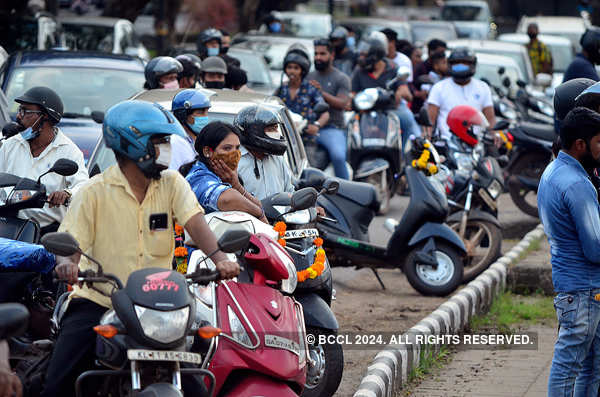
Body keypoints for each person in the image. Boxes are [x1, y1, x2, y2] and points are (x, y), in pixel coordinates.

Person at [41, 100, 239, 397]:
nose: (166, 148)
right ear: (131, 144)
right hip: (101, 301)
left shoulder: (172, 183)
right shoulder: (93, 192)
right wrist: (67, 263)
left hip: (159, 307)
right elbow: (70, 240)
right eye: (159, 141)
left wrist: (220, 258)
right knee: (58, 383)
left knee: (198, 385)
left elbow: (196, 223)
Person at [538, 106, 600, 396]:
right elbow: (596, 249)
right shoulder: (577, 184)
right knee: (571, 367)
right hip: (586, 290)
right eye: (599, 142)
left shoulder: (552, 172)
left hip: (572, 287)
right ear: (580, 145)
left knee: (588, 366)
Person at [0, 86, 88, 235]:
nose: (19, 117)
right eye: (19, 110)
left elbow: (84, 186)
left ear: (45, 117)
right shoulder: (9, 145)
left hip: (46, 234)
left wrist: (67, 193)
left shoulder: (69, 151)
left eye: (25, 111)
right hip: (7, 228)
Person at [185, 121, 267, 222]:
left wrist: (236, 185)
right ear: (207, 151)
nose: (234, 154)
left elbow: (257, 205)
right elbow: (228, 200)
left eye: (237, 148)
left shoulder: (224, 175)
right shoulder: (198, 176)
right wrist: (259, 214)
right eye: (227, 148)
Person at [351, 33, 419, 146]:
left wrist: (400, 92)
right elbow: (353, 94)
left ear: (376, 54)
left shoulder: (393, 68)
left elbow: (406, 92)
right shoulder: (359, 71)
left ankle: (403, 158)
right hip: (366, 109)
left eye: (365, 52)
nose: (361, 56)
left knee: (408, 121)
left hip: (391, 108)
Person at [426, 47, 496, 141]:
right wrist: (426, 136)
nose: (460, 65)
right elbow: (430, 120)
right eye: (456, 63)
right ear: (450, 64)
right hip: (447, 143)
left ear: (473, 64)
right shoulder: (439, 88)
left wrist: (495, 134)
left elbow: (490, 119)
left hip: (477, 143)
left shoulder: (483, 87)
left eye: (464, 62)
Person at [307, 38, 351, 179]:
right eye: (316, 54)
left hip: (332, 128)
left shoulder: (341, 78)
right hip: (307, 128)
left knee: (338, 156)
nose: (318, 57)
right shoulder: (308, 76)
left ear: (332, 55)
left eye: (322, 54)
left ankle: (346, 192)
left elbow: (342, 103)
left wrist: (321, 92)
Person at [235, 105, 295, 200]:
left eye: (276, 128)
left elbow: (290, 194)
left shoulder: (278, 159)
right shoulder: (235, 162)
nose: (277, 134)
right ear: (253, 132)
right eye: (271, 129)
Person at [275, 44, 330, 143]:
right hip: (284, 139)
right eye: (289, 67)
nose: (292, 71)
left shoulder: (311, 89)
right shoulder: (281, 89)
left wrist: (316, 125)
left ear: (303, 70)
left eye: (296, 68)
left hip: (306, 139)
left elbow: (325, 114)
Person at [170, 89, 211, 172]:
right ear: (183, 116)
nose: (205, 117)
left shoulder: (198, 140)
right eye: (200, 112)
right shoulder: (176, 142)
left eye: (207, 112)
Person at [413, 39, 447, 114]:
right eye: (441, 52)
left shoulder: (447, 75)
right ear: (431, 51)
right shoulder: (421, 69)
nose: (443, 54)